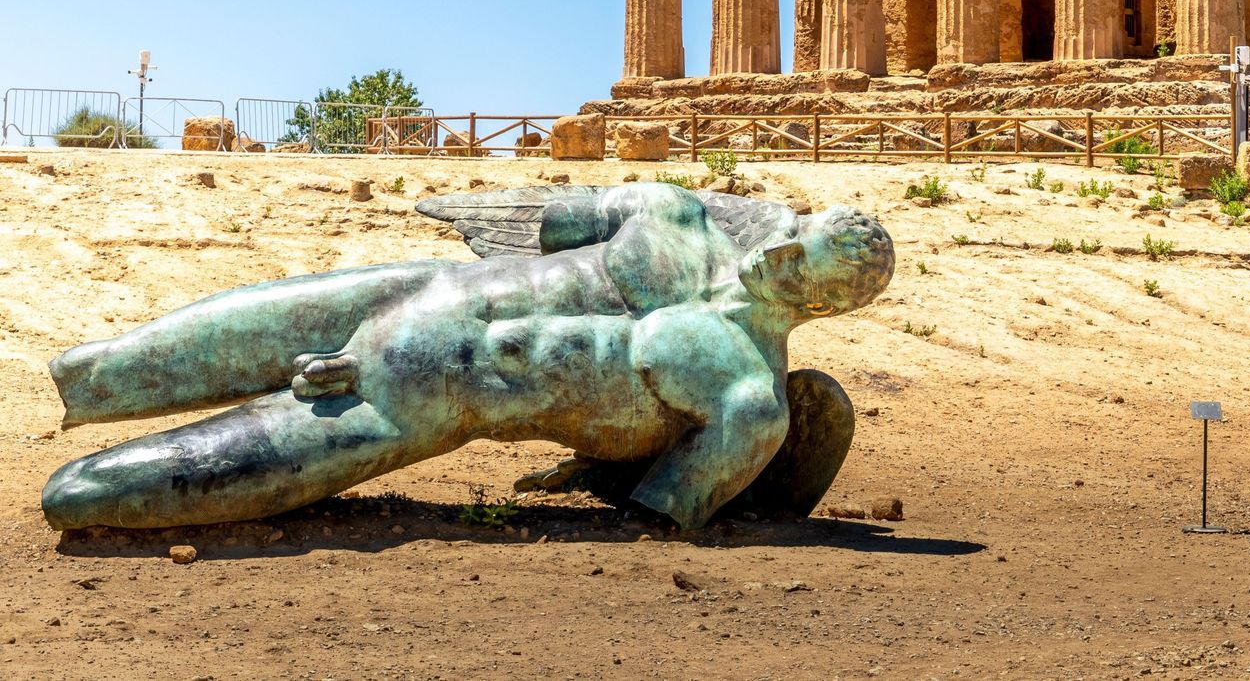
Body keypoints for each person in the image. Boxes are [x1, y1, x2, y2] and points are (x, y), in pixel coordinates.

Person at [42, 184, 892, 531]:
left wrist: (603, 464)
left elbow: (659, 511)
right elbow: (551, 221)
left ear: (824, 305)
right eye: (790, 240)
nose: (773, 259)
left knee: (80, 496)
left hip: (430, 394)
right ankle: (90, 384)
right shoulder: (673, 214)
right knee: (103, 367)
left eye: (798, 269)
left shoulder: (748, 393)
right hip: (416, 290)